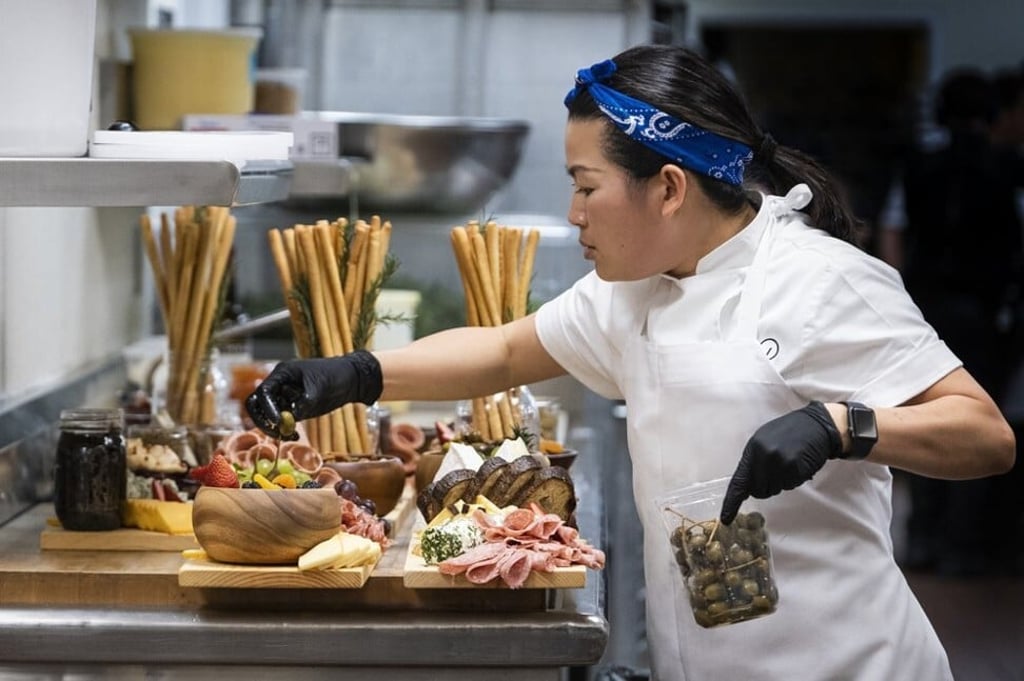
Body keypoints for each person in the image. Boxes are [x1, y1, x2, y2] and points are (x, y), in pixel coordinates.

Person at [245, 45, 1015, 680]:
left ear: (669, 188)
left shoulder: (820, 281)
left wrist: (844, 425)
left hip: (851, 666)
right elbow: (508, 348)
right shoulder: (634, 289)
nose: (574, 213)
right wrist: (352, 372)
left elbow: (986, 434)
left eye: (586, 186)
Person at [900, 67, 1024, 576]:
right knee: (978, 420)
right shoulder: (1007, 168)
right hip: (984, 312)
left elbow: (904, 234)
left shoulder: (920, 167)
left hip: (929, 308)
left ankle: (923, 539)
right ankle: (963, 546)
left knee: (924, 417)